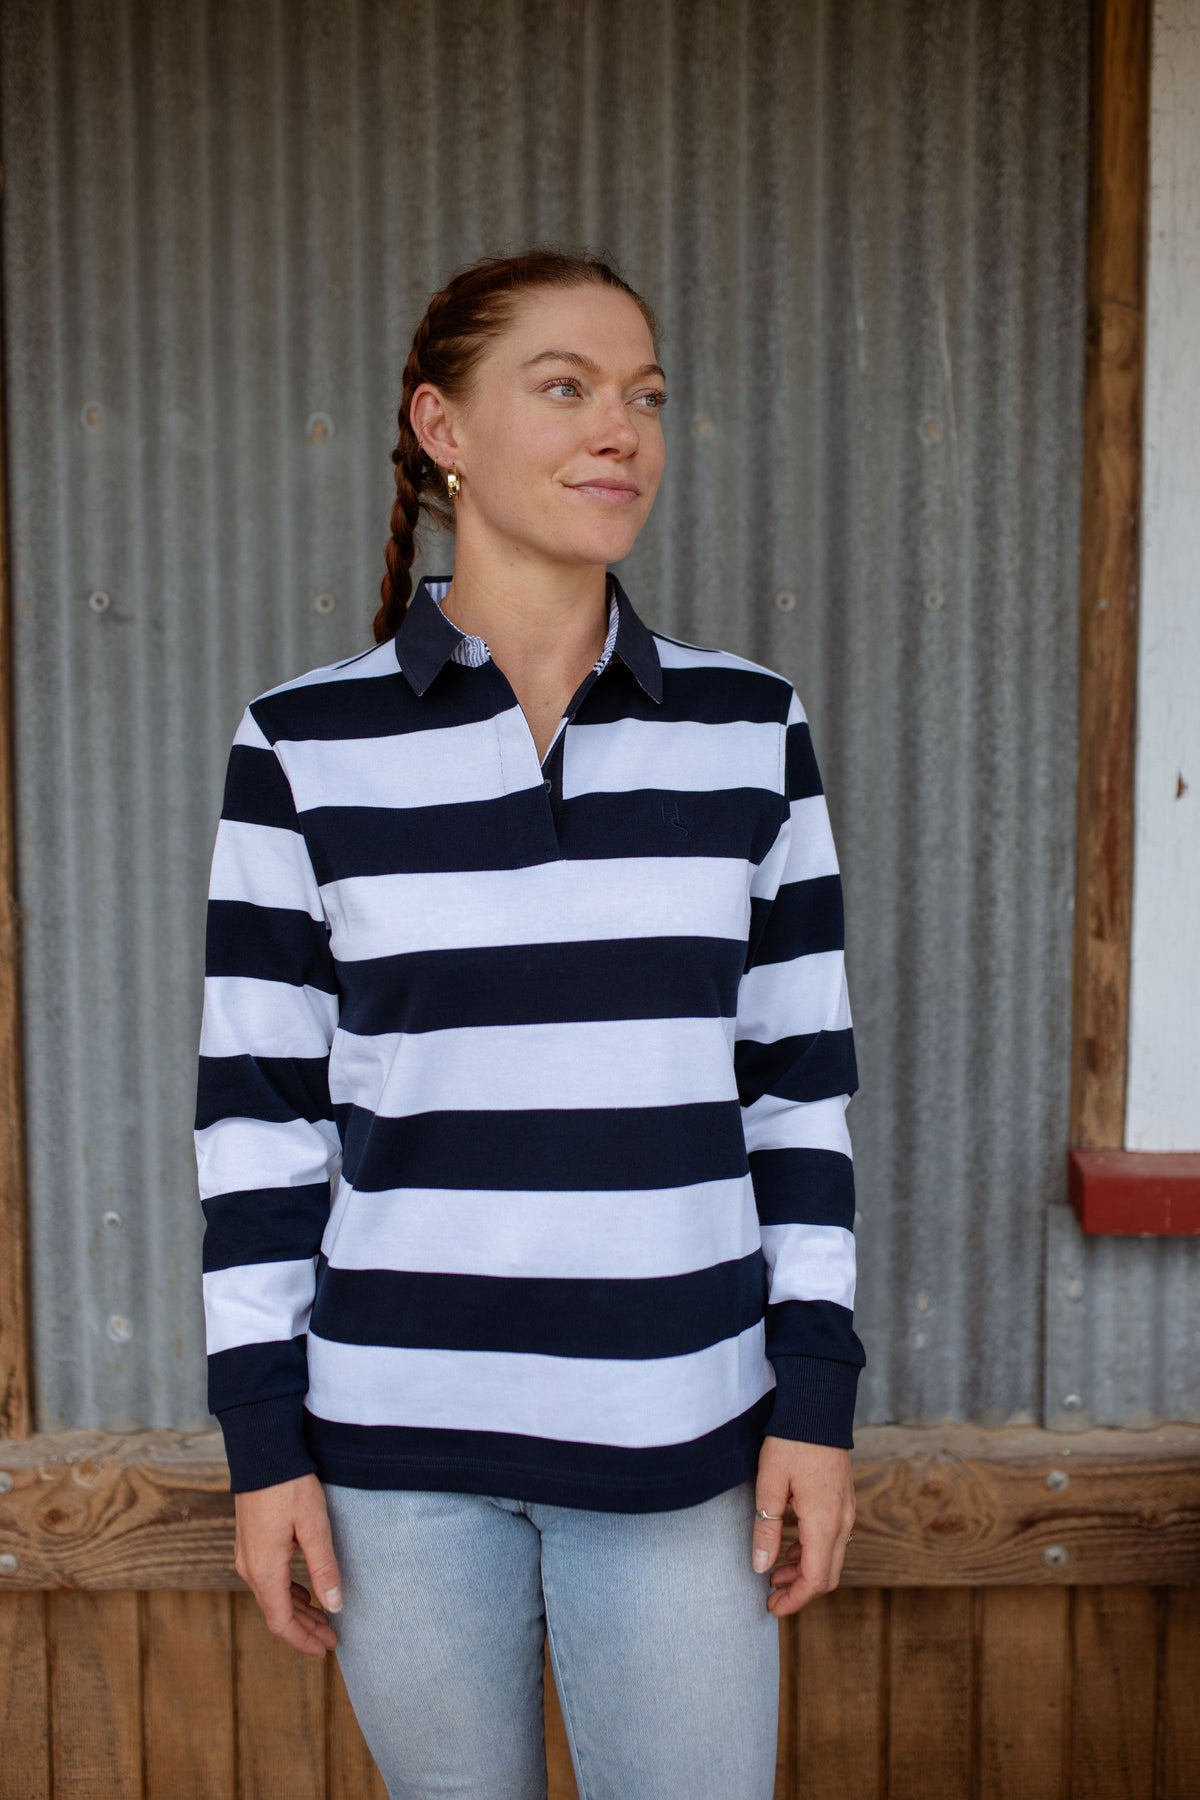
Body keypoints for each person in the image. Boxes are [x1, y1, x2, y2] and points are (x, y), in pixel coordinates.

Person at [194, 247, 863, 1800]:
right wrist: (263, 1442)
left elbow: (799, 1094)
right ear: (443, 427)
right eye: (564, 388)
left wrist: (817, 1401)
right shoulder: (302, 746)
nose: (620, 428)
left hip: (682, 1432)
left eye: (646, 395)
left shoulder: (748, 728)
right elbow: (259, 1120)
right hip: (396, 1453)